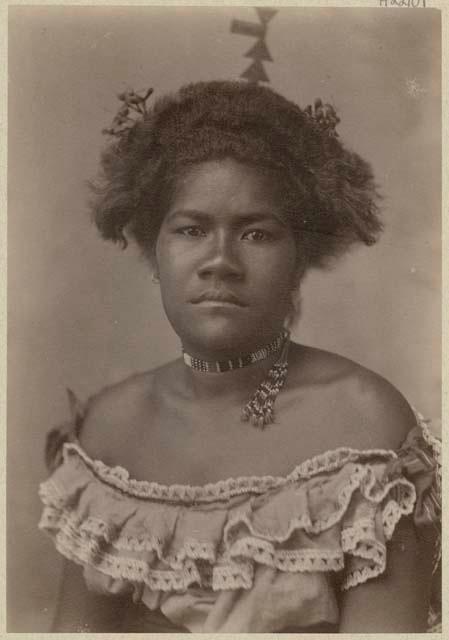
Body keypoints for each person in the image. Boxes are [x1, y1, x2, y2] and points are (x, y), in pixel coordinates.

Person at [38, 80, 441, 633]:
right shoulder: (109, 430)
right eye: (191, 229)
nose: (219, 261)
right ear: (155, 250)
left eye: (256, 233)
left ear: (300, 256)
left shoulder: (365, 423)